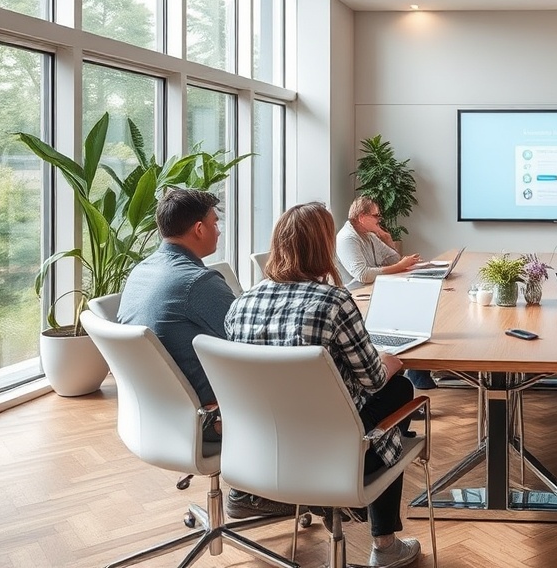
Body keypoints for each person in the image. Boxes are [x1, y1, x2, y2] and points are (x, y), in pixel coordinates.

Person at [226, 202, 420, 568]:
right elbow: (373, 380)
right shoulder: (333, 302)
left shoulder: (241, 305)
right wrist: (391, 363)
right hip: (331, 448)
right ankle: (384, 542)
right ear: (322, 248)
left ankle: (324, 497)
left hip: (264, 450)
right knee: (399, 390)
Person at [118, 188, 289, 519]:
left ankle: (250, 488)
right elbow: (253, 343)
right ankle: (262, 492)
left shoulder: (140, 272)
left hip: (153, 416)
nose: (219, 230)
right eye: (215, 222)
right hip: (209, 418)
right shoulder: (197, 282)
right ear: (199, 229)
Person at [336, 196, 433, 391]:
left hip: (376, 291)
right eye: (376, 216)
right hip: (357, 296)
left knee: (418, 301)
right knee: (408, 308)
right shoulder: (347, 238)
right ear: (362, 217)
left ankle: (418, 370)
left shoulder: (369, 235)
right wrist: (399, 265)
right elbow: (362, 275)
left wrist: (388, 240)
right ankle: (414, 371)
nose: (380, 219)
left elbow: (393, 259)